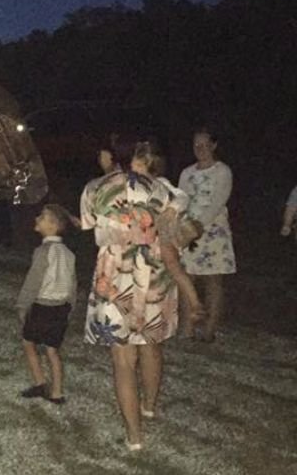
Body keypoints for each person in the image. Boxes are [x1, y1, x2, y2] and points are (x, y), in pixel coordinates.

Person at [80, 137, 180, 451]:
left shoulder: (95, 188)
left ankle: (135, 437)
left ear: (111, 156)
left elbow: (89, 224)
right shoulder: (160, 189)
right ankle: (148, 406)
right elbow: (172, 227)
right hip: (153, 273)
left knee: (123, 360)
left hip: (114, 276)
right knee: (151, 345)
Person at [132, 142, 206, 328]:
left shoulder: (161, 183)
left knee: (173, 265)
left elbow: (182, 197)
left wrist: (172, 208)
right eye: (135, 163)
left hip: (164, 231)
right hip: (147, 235)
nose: (134, 168)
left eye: (139, 164)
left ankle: (195, 302)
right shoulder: (133, 186)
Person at [178, 127, 236, 342]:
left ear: (213, 145)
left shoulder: (223, 171)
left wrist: (198, 225)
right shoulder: (187, 173)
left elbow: (218, 201)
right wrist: (183, 227)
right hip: (188, 231)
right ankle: (187, 328)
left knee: (213, 281)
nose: (200, 149)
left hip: (213, 230)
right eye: (196, 145)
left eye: (204, 145)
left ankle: (209, 330)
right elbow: (181, 200)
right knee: (186, 278)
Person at [15, 204, 76, 404]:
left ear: (53, 226)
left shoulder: (42, 251)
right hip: (61, 308)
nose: (37, 219)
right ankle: (57, 393)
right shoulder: (69, 253)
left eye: (42, 217)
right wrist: (70, 306)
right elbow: (73, 283)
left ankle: (40, 383)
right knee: (52, 350)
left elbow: (33, 281)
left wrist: (23, 305)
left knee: (28, 343)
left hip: (42, 306)